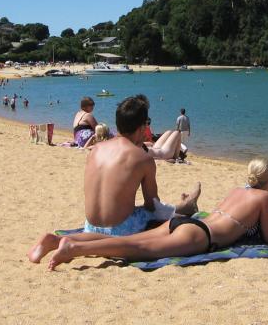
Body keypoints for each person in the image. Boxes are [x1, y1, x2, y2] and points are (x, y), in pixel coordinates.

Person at [28, 157, 268, 270]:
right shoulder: (265, 196)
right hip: (200, 236)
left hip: (189, 222)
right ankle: (73, 248)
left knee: (134, 241)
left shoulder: (237, 191)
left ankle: (56, 241)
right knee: (134, 248)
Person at [27, 96, 200, 264]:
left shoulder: (96, 149)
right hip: (121, 230)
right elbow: (152, 206)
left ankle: (55, 240)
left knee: (114, 221)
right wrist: (178, 209)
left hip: (90, 225)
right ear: (142, 128)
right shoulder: (143, 158)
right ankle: (186, 205)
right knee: (154, 220)